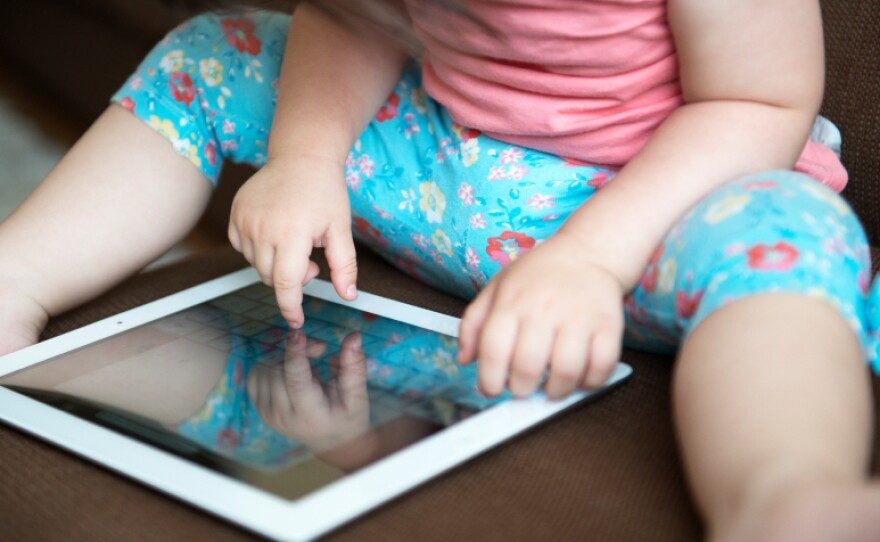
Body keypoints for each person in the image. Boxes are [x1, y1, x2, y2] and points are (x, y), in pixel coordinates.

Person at [0, 0, 878, 539]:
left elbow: (758, 99)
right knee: (217, 50)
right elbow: (346, 18)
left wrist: (589, 258)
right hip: (444, 181)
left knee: (786, 225)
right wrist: (308, 155)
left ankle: (784, 492)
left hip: (652, 215)